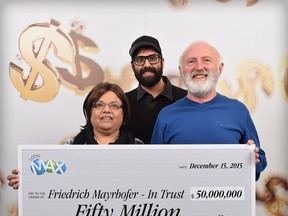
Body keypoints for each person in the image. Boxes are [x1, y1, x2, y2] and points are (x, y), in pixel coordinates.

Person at [150, 41, 267, 181]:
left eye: (206, 60)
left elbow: (259, 162)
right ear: (181, 71)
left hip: (227, 201)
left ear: (220, 68)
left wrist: (254, 159)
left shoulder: (238, 111)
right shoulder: (166, 116)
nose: (199, 67)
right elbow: (153, 168)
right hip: (180, 201)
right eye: (191, 61)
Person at [7, 82, 143, 189]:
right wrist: (27, 180)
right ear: (89, 111)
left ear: (124, 112)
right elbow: (51, 183)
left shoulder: (140, 149)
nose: (106, 110)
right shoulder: (69, 148)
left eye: (114, 106)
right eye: (99, 105)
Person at [125, 35, 187, 144]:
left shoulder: (185, 99)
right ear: (133, 66)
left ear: (162, 62)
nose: (147, 65)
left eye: (153, 58)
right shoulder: (123, 103)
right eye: (139, 60)